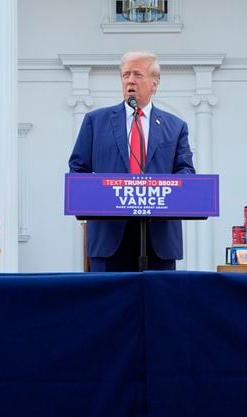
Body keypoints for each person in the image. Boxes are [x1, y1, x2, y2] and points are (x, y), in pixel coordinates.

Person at [69, 51, 196, 272]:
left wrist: (161, 190)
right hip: (109, 238)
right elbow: (78, 170)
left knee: (159, 305)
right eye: (125, 75)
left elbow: (185, 172)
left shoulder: (176, 127)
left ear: (154, 84)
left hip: (159, 238)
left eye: (138, 74)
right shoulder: (95, 122)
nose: (130, 81)